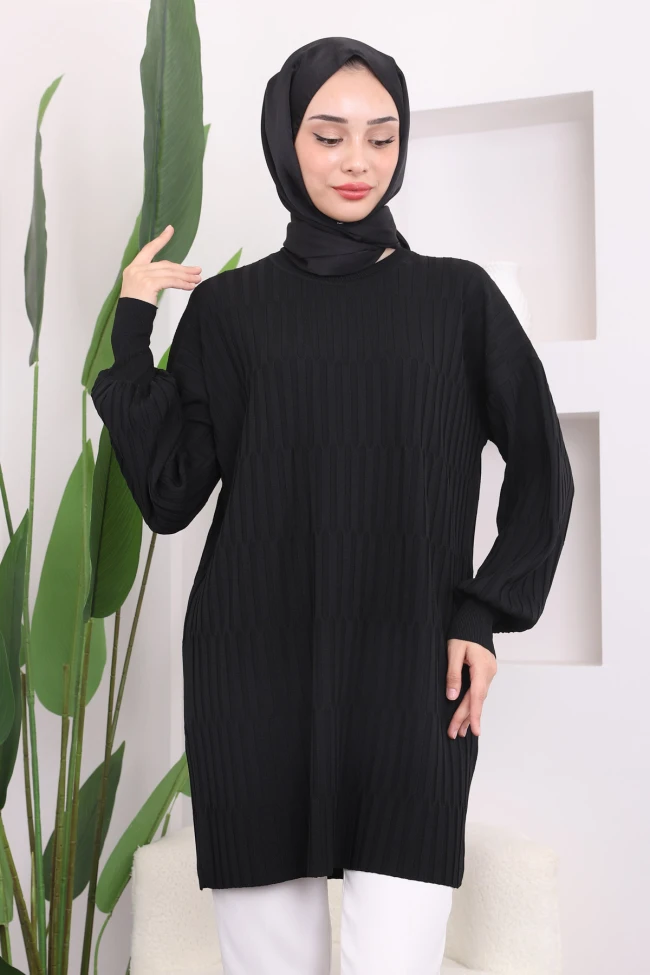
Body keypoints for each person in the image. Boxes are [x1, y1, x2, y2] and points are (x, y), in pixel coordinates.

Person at [91, 35, 574, 975]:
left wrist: (484, 613)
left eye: (382, 137)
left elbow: (544, 468)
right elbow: (171, 492)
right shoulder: (230, 311)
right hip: (252, 672)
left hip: (411, 669)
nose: (359, 160)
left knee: (395, 956)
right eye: (329, 134)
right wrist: (134, 326)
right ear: (287, 141)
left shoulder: (458, 299)